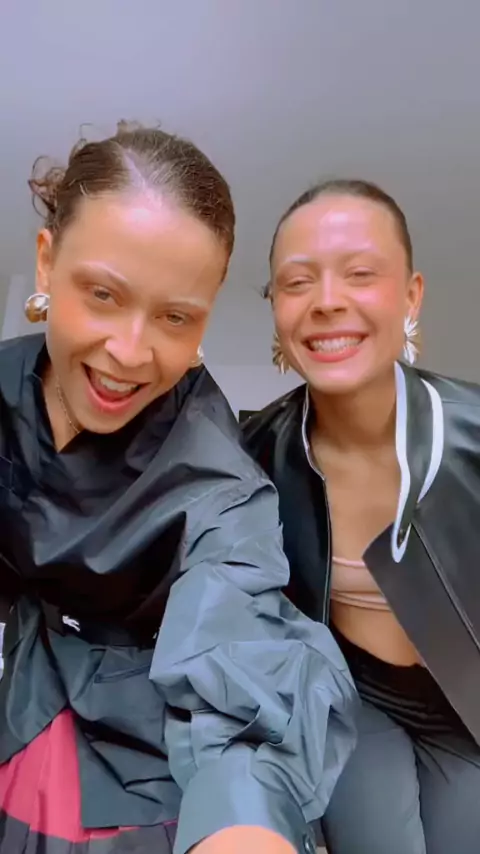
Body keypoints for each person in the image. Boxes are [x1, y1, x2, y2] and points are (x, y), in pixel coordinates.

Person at [0, 124, 358, 854]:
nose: (130, 352)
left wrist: (246, 822)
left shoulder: (216, 479)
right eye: (103, 294)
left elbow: (244, 641)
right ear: (46, 263)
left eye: (175, 317)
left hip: (143, 759)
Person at [243, 178, 480, 854]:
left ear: (411, 295)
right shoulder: (253, 453)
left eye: (360, 274)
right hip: (354, 696)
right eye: (297, 282)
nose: (327, 301)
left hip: (467, 706)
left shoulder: (472, 434)